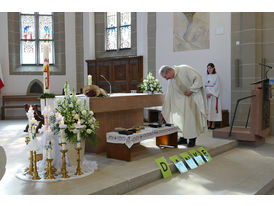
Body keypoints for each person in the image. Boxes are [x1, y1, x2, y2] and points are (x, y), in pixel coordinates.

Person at [159, 65, 208, 147]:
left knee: (191, 120)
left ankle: (192, 139)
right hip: (180, 103)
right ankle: (183, 138)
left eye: (165, 77)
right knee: (180, 120)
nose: (166, 79)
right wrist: (165, 108)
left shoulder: (184, 69)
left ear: (169, 71)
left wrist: (191, 90)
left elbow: (198, 78)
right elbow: (169, 94)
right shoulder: (171, 80)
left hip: (191, 99)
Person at [203, 63, 222, 129]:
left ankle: (213, 123)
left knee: (213, 109)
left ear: (213, 68)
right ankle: (208, 123)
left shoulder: (216, 76)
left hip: (213, 95)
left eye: (210, 68)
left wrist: (210, 93)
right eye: (208, 68)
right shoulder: (205, 76)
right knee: (207, 109)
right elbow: (204, 85)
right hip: (207, 96)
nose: (209, 69)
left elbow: (217, 86)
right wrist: (205, 93)